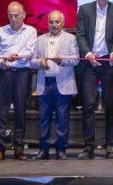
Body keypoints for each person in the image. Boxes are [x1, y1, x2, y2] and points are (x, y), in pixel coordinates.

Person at [75, 0, 113, 160]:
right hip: (90, 61)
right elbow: (79, 35)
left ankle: (110, 145)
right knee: (88, 105)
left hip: (108, 62)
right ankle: (88, 146)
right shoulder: (85, 9)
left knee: (110, 104)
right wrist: (88, 54)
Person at [0, 1, 37, 161]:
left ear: (23, 15)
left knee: (20, 112)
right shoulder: (0, 31)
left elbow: (30, 52)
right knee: (1, 112)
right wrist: (0, 62)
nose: (13, 18)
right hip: (4, 73)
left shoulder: (31, 31)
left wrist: (17, 56)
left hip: (22, 73)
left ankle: (18, 148)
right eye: (10, 15)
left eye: (16, 15)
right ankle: (0, 148)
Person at [31, 11, 79, 160]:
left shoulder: (71, 39)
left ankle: (61, 150)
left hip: (63, 83)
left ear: (63, 23)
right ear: (48, 23)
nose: (54, 24)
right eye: (51, 22)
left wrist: (61, 60)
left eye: (57, 22)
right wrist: (40, 62)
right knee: (43, 118)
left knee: (62, 118)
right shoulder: (40, 39)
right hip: (44, 83)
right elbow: (32, 60)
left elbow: (76, 59)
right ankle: (43, 150)